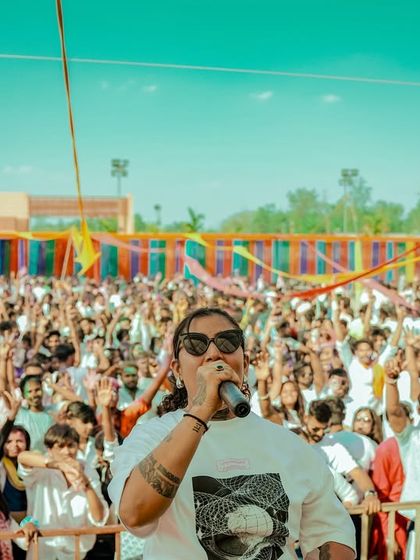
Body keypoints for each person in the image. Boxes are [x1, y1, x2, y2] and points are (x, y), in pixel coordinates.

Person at [109, 307, 356, 559]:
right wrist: (200, 411)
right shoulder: (150, 437)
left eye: (227, 341)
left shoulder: (289, 446)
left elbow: (331, 533)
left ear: (245, 364)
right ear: (177, 370)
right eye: (196, 344)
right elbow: (134, 513)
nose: (214, 354)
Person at [18, 423, 109, 560]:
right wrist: (59, 465)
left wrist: (86, 484)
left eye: (71, 445)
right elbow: (22, 457)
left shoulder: (88, 471)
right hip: (42, 550)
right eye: (60, 446)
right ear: (49, 449)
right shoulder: (41, 469)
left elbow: (99, 518)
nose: (67, 452)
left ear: (78, 446)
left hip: (76, 553)